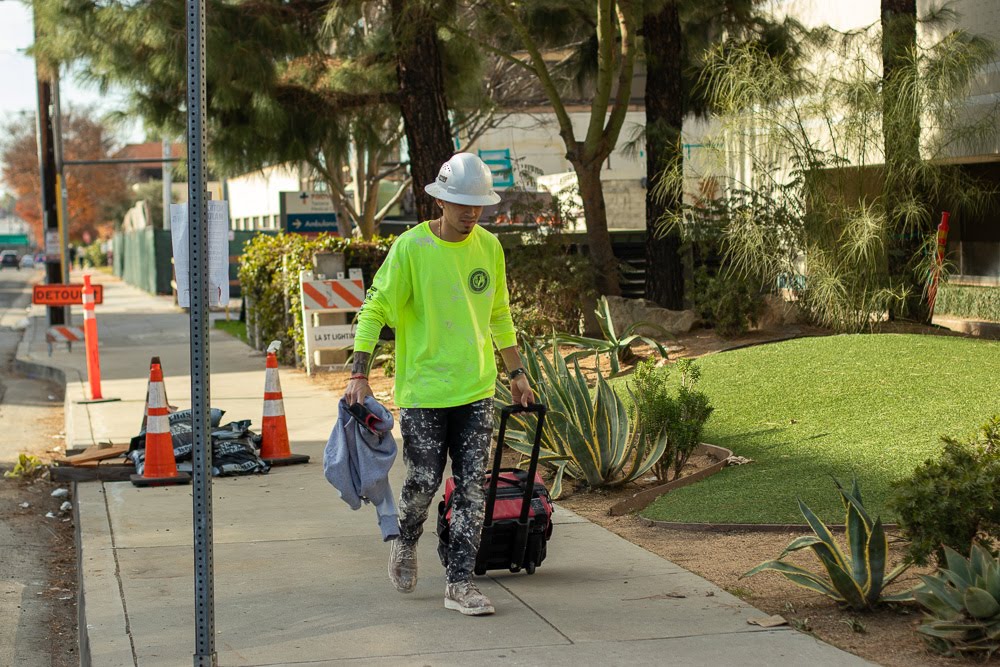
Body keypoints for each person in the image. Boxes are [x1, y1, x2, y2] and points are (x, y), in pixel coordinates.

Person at [344, 152, 534, 616]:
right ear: (440, 200)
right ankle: (407, 540)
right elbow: (375, 309)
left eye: (477, 205)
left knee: (472, 488)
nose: (470, 213)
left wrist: (517, 373)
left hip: (475, 389)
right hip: (425, 392)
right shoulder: (411, 249)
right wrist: (358, 372)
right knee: (424, 483)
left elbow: (499, 314)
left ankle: (460, 583)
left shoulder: (489, 248)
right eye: (461, 203)